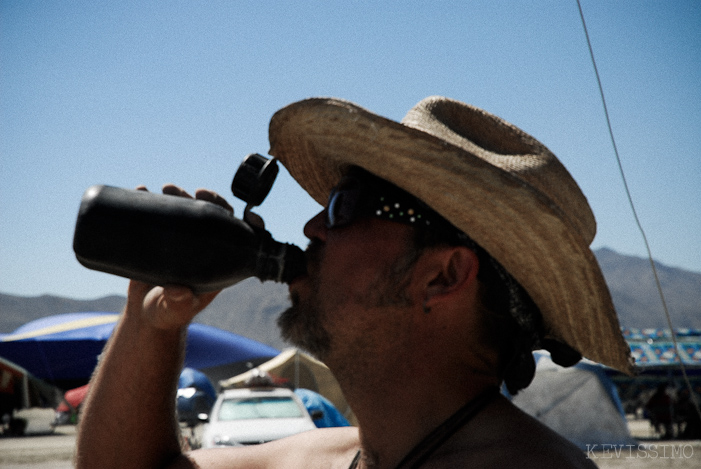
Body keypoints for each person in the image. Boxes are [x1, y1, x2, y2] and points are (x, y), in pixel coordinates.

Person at [75, 96, 634, 468]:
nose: (312, 225)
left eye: (348, 205)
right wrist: (149, 322)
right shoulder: (341, 455)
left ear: (444, 275)